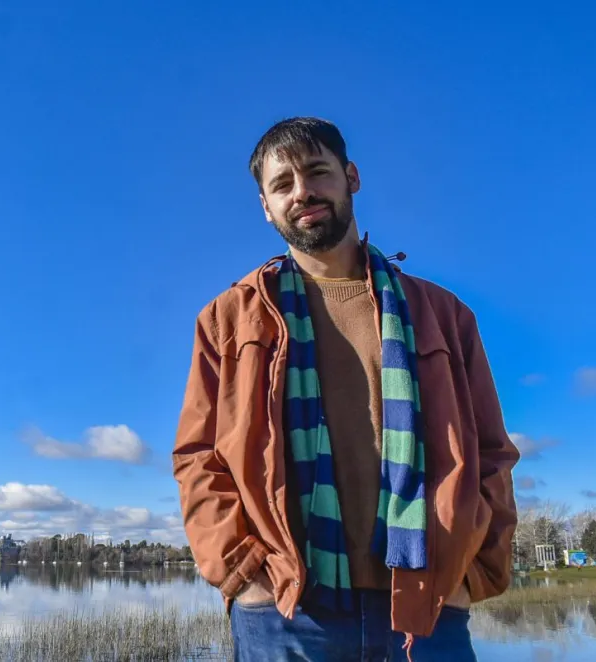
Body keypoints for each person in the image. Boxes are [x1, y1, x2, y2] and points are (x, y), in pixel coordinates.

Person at [171, 117, 520, 661]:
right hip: (286, 611)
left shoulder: (443, 314)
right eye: (281, 184)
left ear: (350, 177)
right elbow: (197, 456)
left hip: (426, 607)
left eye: (317, 172)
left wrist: (473, 575)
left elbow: (493, 454)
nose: (302, 192)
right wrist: (243, 574)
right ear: (265, 206)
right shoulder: (228, 319)